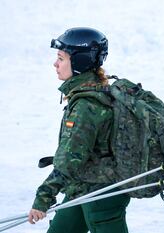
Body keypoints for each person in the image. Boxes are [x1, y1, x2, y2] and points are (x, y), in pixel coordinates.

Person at [27, 27, 130, 233]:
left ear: (79, 62)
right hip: (82, 187)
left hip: (103, 195)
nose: (55, 64)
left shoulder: (86, 106)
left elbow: (70, 157)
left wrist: (43, 198)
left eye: (61, 58)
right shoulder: (93, 92)